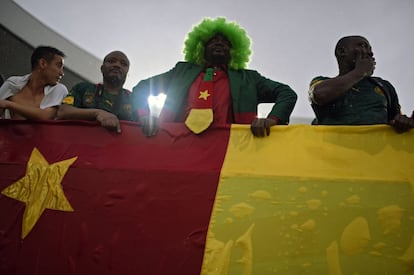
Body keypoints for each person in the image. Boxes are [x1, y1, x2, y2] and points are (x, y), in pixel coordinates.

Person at [133, 17, 297, 137]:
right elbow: (141, 88)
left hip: (231, 147)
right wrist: (145, 116)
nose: (219, 43)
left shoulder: (249, 78)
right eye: (213, 41)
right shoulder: (181, 71)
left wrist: (272, 120)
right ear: (200, 48)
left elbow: (286, 93)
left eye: (226, 42)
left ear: (234, 51)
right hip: (176, 142)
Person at [308, 35, 414, 132]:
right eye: (362, 46)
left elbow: (395, 120)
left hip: (373, 150)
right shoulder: (322, 82)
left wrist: (403, 122)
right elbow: (319, 95)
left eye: (370, 48)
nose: (370, 53)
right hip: (331, 150)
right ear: (342, 52)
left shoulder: (383, 86)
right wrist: (359, 72)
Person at [57, 51, 136, 133]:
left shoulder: (135, 99)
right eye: (111, 61)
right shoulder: (83, 88)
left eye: (123, 64)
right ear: (102, 68)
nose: (117, 65)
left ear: (127, 72)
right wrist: (97, 113)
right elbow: (63, 111)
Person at [0, 46, 67, 120]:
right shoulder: (12, 83)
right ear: (43, 63)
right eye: (58, 66)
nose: (62, 73)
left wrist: (8, 104)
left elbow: (46, 115)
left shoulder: (59, 90)